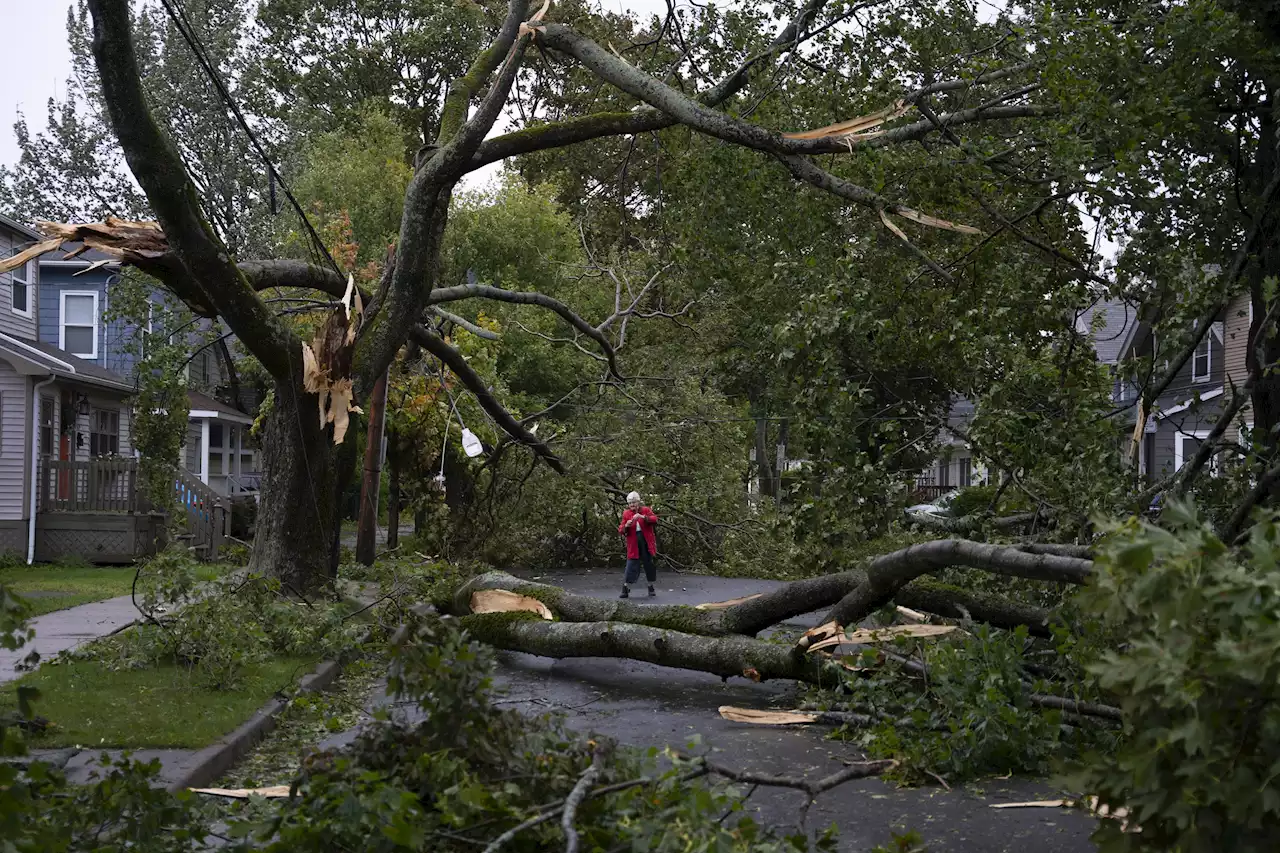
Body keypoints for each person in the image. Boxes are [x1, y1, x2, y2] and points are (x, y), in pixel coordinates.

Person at [618, 491, 659, 598]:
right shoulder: (626, 513)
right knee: (631, 564)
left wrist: (643, 517)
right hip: (634, 544)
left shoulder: (645, 510)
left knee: (649, 564)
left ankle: (650, 586)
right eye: (630, 503)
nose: (632, 505)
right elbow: (621, 529)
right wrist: (626, 525)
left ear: (638, 502)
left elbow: (654, 519)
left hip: (646, 542)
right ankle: (626, 588)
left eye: (634, 502)